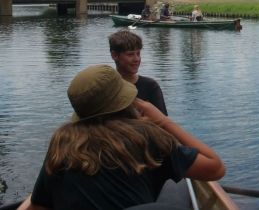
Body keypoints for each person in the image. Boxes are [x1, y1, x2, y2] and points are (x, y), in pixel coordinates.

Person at [17, 65, 225, 210]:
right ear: (125, 102)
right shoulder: (145, 137)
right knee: (177, 187)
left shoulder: (62, 142)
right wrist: (163, 122)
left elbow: (38, 205)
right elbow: (215, 168)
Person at [109, 30, 168, 115]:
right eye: (130, 54)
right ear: (115, 55)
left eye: (138, 54)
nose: (136, 59)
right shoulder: (107, 86)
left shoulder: (150, 86)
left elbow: (163, 121)